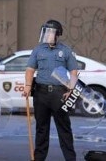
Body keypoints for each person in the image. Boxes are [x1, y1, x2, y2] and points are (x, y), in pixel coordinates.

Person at [22, 19, 78, 161]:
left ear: (57, 34)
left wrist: (70, 89)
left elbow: (73, 71)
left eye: (50, 32)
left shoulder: (65, 51)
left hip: (60, 94)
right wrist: (28, 86)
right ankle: (39, 158)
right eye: (46, 32)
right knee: (41, 128)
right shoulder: (38, 50)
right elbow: (30, 69)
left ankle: (70, 158)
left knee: (64, 128)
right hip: (41, 94)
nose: (47, 35)